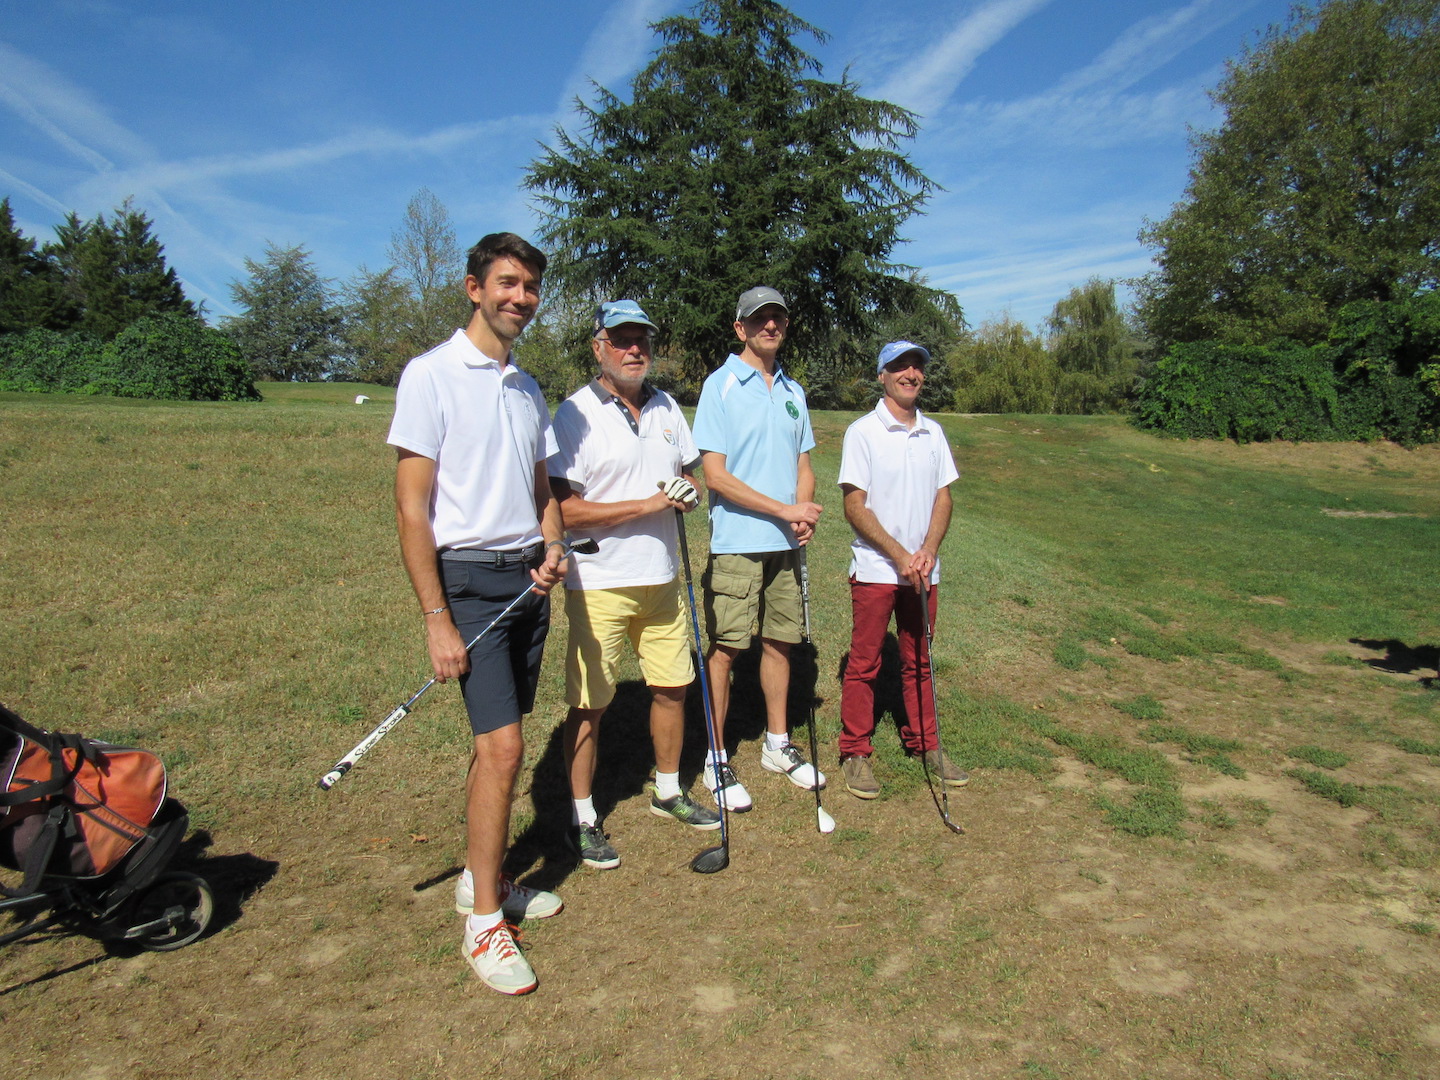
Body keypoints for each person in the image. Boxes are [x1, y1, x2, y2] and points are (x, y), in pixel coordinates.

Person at [387, 232, 568, 996]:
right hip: (466, 584)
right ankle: (484, 924)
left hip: (528, 580)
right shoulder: (429, 376)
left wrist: (553, 547)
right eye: (506, 282)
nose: (519, 297)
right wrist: (435, 615)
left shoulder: (527, 388)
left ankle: (478, 876)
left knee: (497, 745)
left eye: (529, 286)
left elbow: (540, 491)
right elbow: (410, 508)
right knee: (503, 749)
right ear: (473, 287)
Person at [547, 299, 720, 868]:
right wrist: (650, 502)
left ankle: (668, 789)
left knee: (671, 687)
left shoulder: (668, 406)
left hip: (663, 578)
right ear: (598, 346)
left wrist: (685, 494)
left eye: (641, 339)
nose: (633, 349)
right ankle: (583, 816)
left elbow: (686, 476)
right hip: (599, 581)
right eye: (621, 339)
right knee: (590, 704)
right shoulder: (573, 414)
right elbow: (565, 511)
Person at [691, 286, 825, 812]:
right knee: (727, 648)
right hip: (738, 543)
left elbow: (804, 466)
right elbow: (716, 476)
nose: (771, 326)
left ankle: (776, 744)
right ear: (739, 327)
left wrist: (805, 512)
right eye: (760, 319)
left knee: (780, 641)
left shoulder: (793, 390)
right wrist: (785, 510)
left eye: (778, 318)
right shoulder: (720, 386)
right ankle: (716, 758)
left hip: (786, 543)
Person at [836, 340, 967, 799]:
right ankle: (855, 751)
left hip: (922, 571)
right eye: (899, 367)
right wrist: (897, 554)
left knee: (919, 660)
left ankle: (926, 744)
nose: (910, 374)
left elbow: (943, 497)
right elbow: (854, 505)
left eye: (916, 367)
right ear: (882, 376)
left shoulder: (933, 433)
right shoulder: (862, 432)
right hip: (876, 569)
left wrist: (928, 549)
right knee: (865, 663)